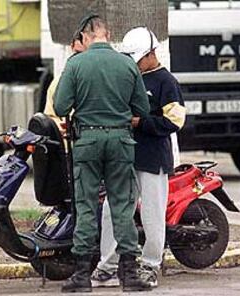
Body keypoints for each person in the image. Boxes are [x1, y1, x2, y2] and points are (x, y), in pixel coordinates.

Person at [54, 15, 152, 293]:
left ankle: (82, 276)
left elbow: (61, 107)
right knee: (122, 205)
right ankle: (130, 276)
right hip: (121, 141)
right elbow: (142, 110)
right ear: (108, 35)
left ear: (85, 37)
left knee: (86, 205)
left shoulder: (75, 64)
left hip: (87, 142)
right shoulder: (127, 64)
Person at [91, 27, 186, 288]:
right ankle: (107, 267)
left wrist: (140, 122)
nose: (136, 64)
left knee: (152, 214)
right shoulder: (130, 76)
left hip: (153, 159)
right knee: (113, 209)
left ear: (151, 54)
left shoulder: (167, 82)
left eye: (138, 59)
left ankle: (150, 265)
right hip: (125, 156)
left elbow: (175, 120)